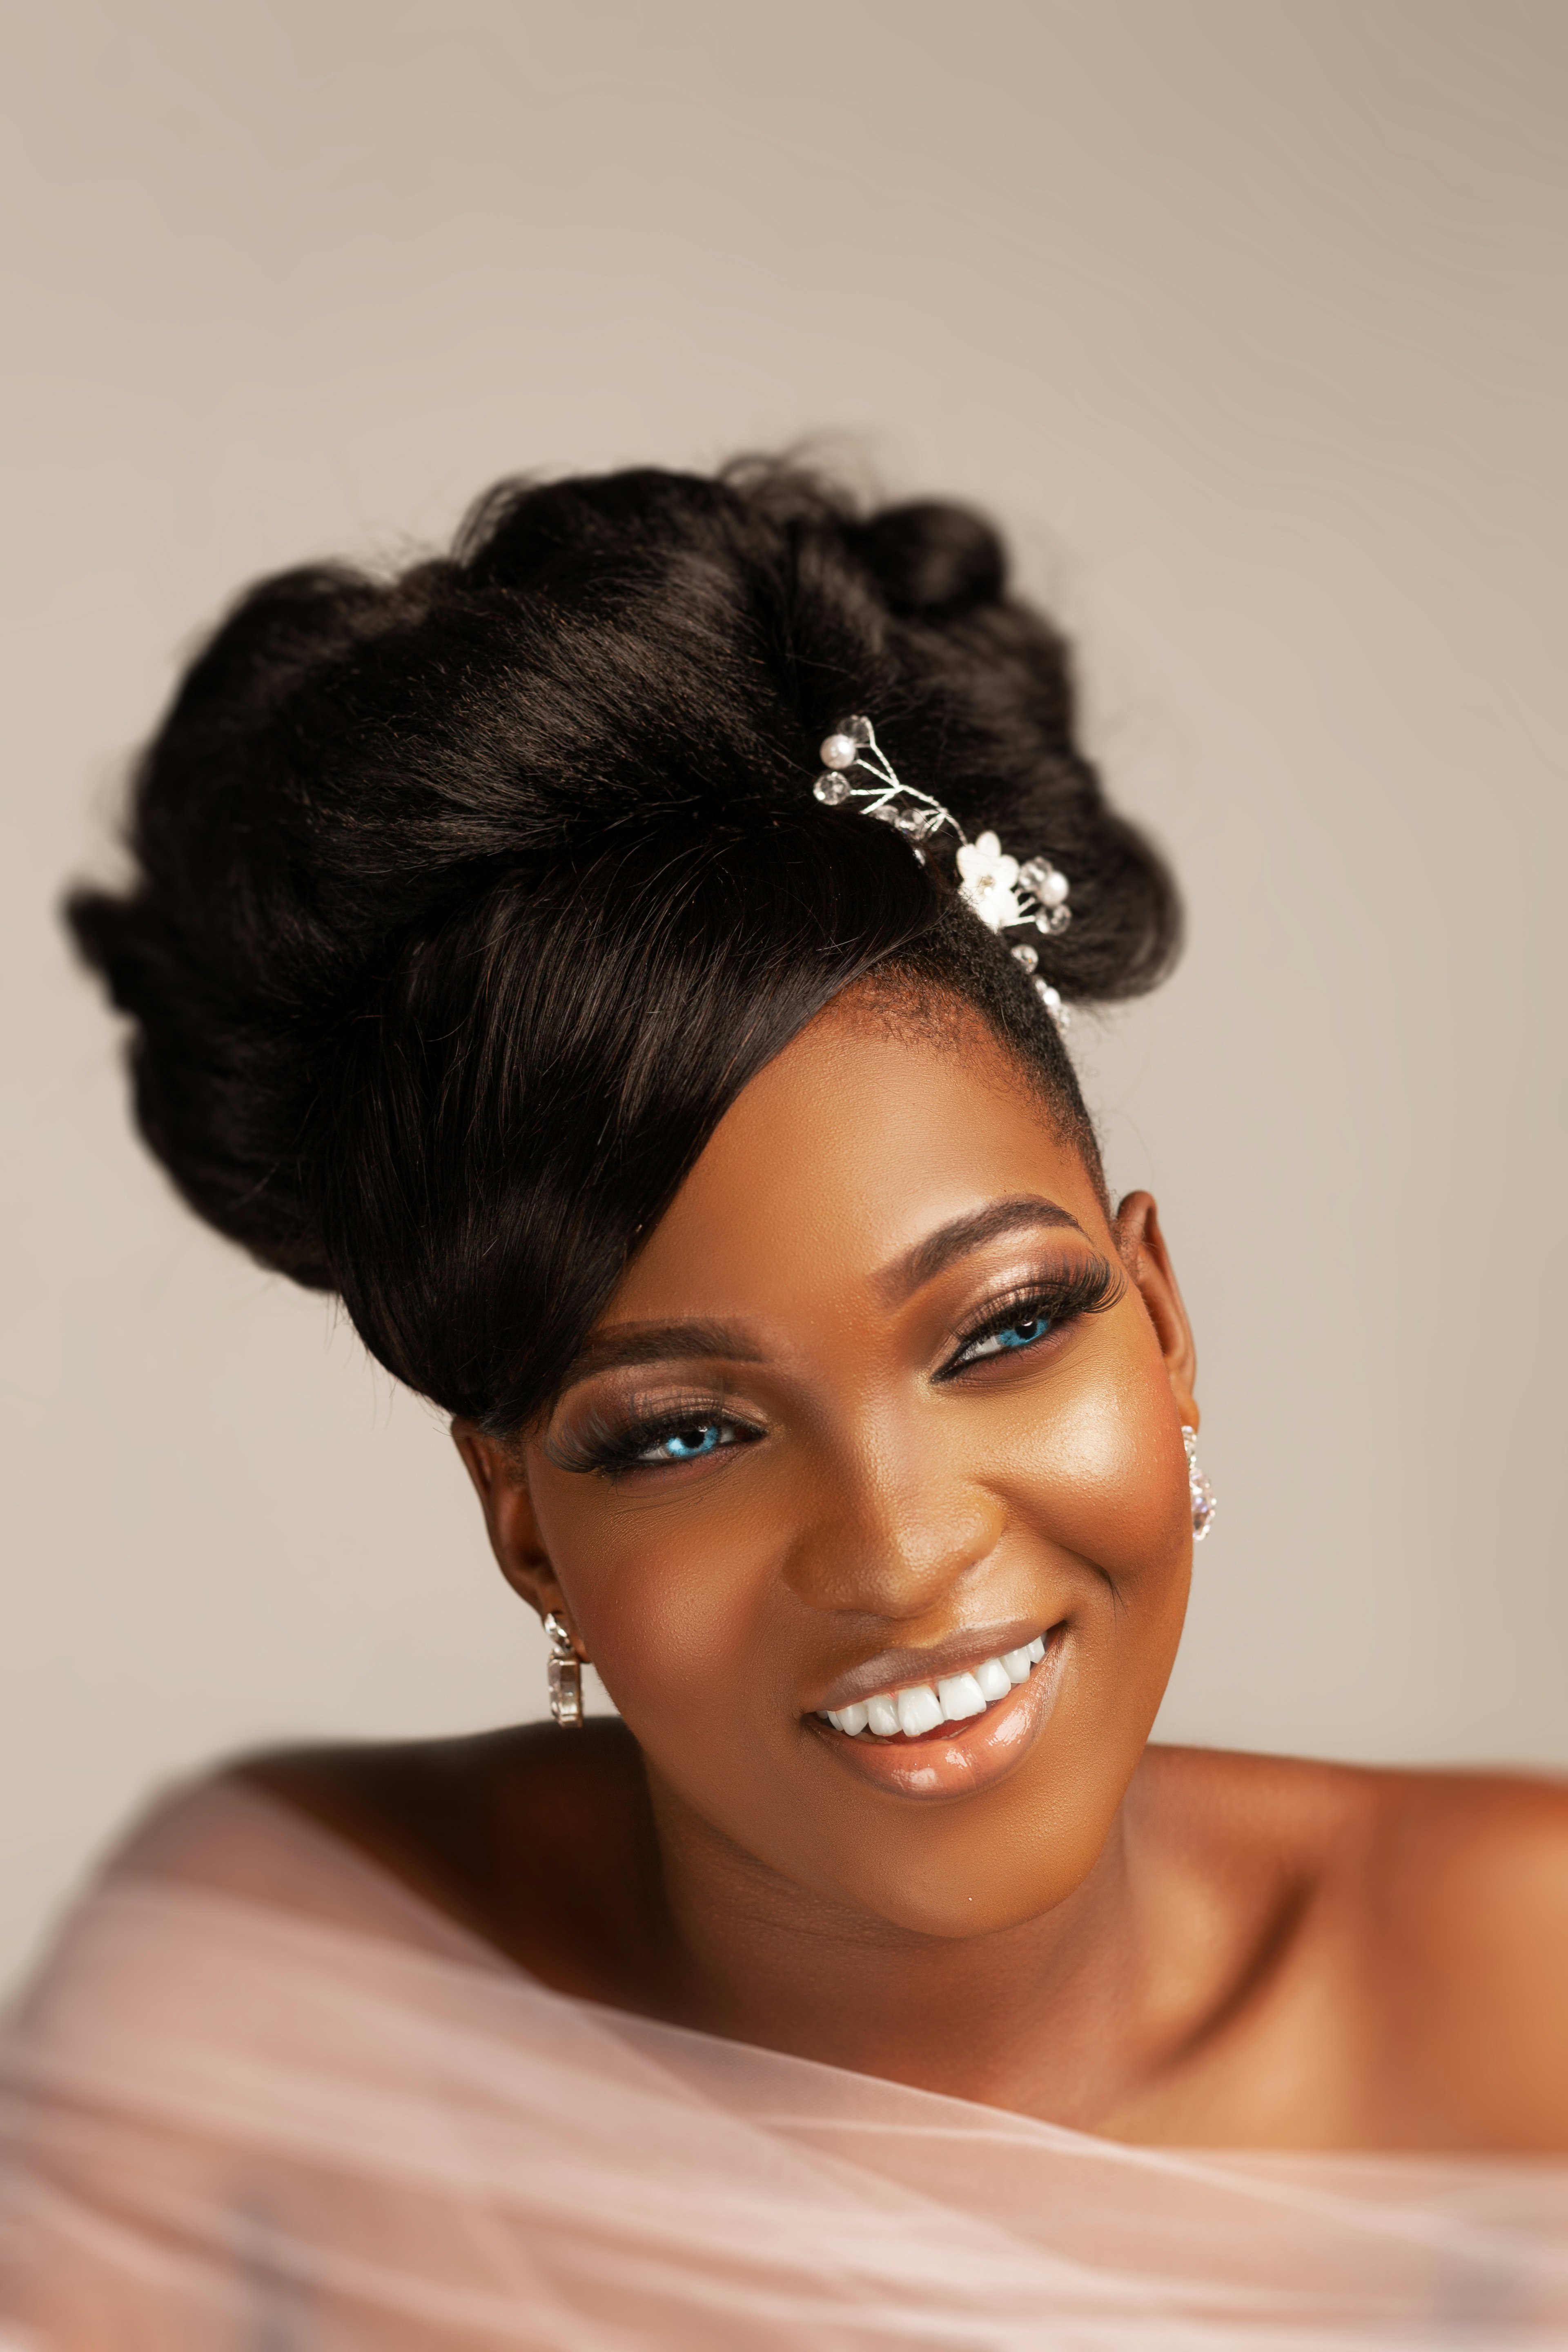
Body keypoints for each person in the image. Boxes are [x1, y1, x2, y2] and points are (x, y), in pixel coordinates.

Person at [2, 462, 1564, 2345]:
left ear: (1162, 1321)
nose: (903, 1552)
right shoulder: (269, 2012)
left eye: (1003, 1330)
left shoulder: (1523, 1985)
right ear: (523, 1525)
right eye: (684, 1432)